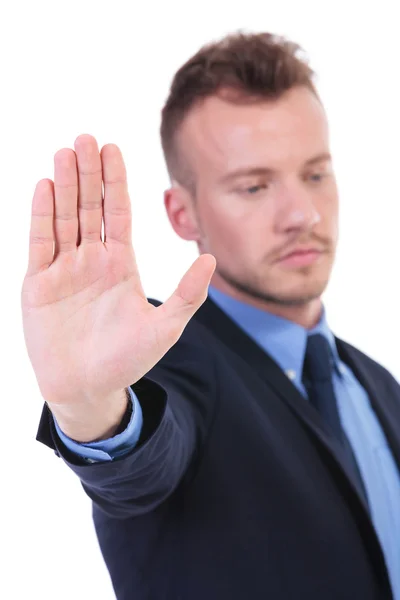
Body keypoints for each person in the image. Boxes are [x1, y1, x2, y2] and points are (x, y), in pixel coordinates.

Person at [21, 31, 400, 600]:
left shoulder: (379, 385)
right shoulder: (174, 365)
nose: (302, 213)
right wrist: (91, 407)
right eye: (253, 186)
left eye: (316, 174)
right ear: (182, 213)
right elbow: (142, 469)